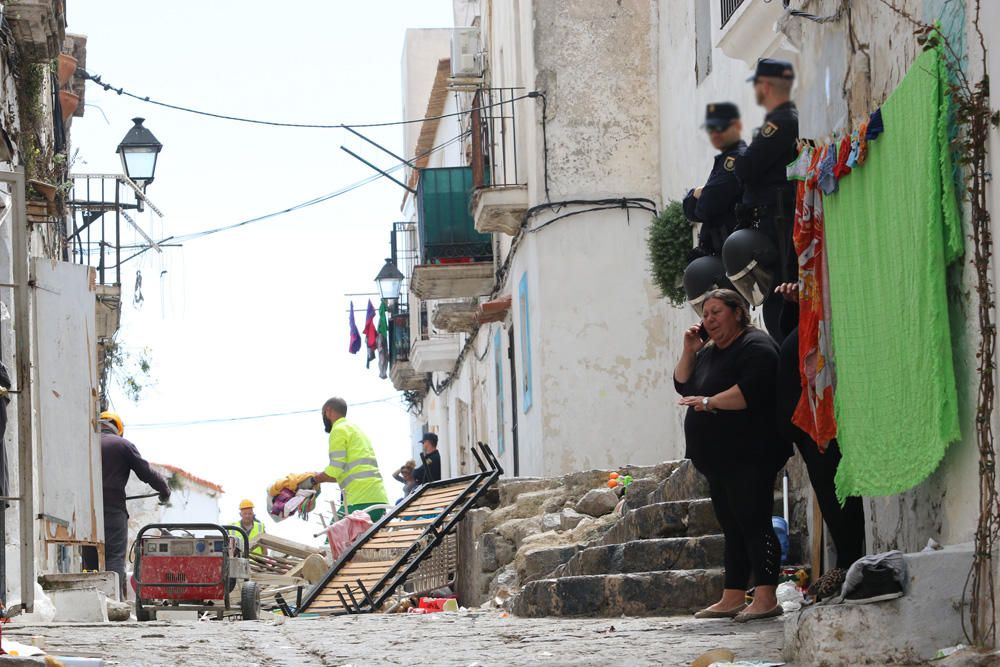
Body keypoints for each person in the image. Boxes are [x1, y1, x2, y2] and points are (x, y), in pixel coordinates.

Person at [674, 290, 790, 622]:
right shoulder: (710, 352)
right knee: (732, 524)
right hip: (718, 460)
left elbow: (748, 394)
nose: (708, 319)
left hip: (750, 454)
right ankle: (733, 594)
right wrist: (689, 350)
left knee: (754, 522)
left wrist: (708, 403)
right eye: (705, 314)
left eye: (715, 312)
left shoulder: (756, 346)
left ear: (737, 312)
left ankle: (766, 595)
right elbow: (683, 384)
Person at [776, 324, 866, 600]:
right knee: (827, 491)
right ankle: (846, 562)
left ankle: (849, 564)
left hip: (823, 420)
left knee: (837, 489)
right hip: (807, 427)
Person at [733, 58, 800, 342]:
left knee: (778, 300)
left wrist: (740, 156)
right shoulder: (789, 118)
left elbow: (746, 167)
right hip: (776, 218)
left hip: (776, 222)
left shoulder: (780, 122)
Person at [96, 411, 170, 600]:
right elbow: (146, 473)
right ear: (118, 429)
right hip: (113, 509)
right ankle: (113, 602)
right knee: (114, 556)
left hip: (85, 512)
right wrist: (164, 489)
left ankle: (93, 599)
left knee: (91, 557)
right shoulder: (122, 445)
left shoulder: (84, 443)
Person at [304, 397, 389, 521]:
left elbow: (335, 469)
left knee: (333, 537)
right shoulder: (355, 430)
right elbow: (342, 473)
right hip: (378, 498)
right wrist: (319, 479)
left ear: (328, 411)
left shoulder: (338, 430)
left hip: (359, 501)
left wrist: (312, 480)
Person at [683, 102, 746, 259]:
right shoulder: (726, 158)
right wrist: (695, 194)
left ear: (737, 126)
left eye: (721, 127)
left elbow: (706, 206)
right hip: (723, 250)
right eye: (711, 129)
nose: (715, 134)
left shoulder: (734, 159)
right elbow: (691, 212)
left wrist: (697, 194)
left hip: (731, 252)